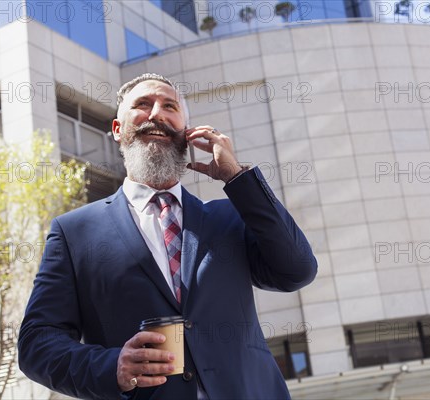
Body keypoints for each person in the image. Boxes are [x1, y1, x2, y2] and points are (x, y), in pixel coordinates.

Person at [18, 73, 318, 400]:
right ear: (118, 130)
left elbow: (297, 270)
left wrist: (238, 177)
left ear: (186, 133)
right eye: (143, 105)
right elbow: (37, 342)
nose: (156, 114)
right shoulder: (74, 232)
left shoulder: (229, 216)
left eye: (169, 106)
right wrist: (112, 366)